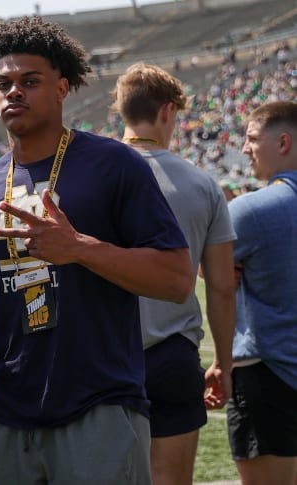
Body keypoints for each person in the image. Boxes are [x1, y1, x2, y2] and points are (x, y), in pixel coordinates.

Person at [0, 16, 193, 485]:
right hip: (9, 421)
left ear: (63, 88)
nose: (14, 93)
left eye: (30, 81)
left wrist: (80, 248)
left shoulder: (114, 164)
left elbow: (176, 279)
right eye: (3, 83)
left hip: (99, 410)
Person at [111, 62, 237, 485]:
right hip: (172, 354)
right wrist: (223, 360)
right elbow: (221, 287)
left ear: (121, 110)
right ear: (168, 111)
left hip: (105, 352)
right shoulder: (202, 183)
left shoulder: (92, 174)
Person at [226, 100, 297, 485]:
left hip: (268, 371)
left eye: (252, 138)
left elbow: (210, 271)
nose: (245, 148)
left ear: (282, 142)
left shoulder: (251, 210)